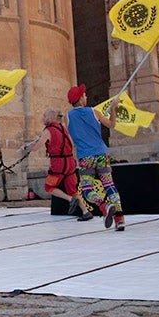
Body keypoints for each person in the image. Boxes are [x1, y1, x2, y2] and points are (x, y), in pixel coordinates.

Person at [65, 84, 125, 231]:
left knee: (87, 189)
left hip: (85, 157)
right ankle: (120, 219)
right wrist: (114, 109)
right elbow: (111, 124)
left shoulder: (67, 117)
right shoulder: (94, 112)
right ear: (80, 99)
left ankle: (104, 206)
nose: (86, 97)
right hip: (101, 154)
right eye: (84, 95)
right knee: (109, 185)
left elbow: (70, 139)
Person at [25, 109, 93, 221]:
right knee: (73, 189)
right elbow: (72, 143)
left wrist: (27, 148)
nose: (42, 118)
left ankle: (70, 199)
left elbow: (38, 146)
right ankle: (85, 212)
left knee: (49, 187)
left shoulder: (48, 131)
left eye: (44, 116)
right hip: (70, 162)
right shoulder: (64, 129)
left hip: (58, 164)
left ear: (50, 118)